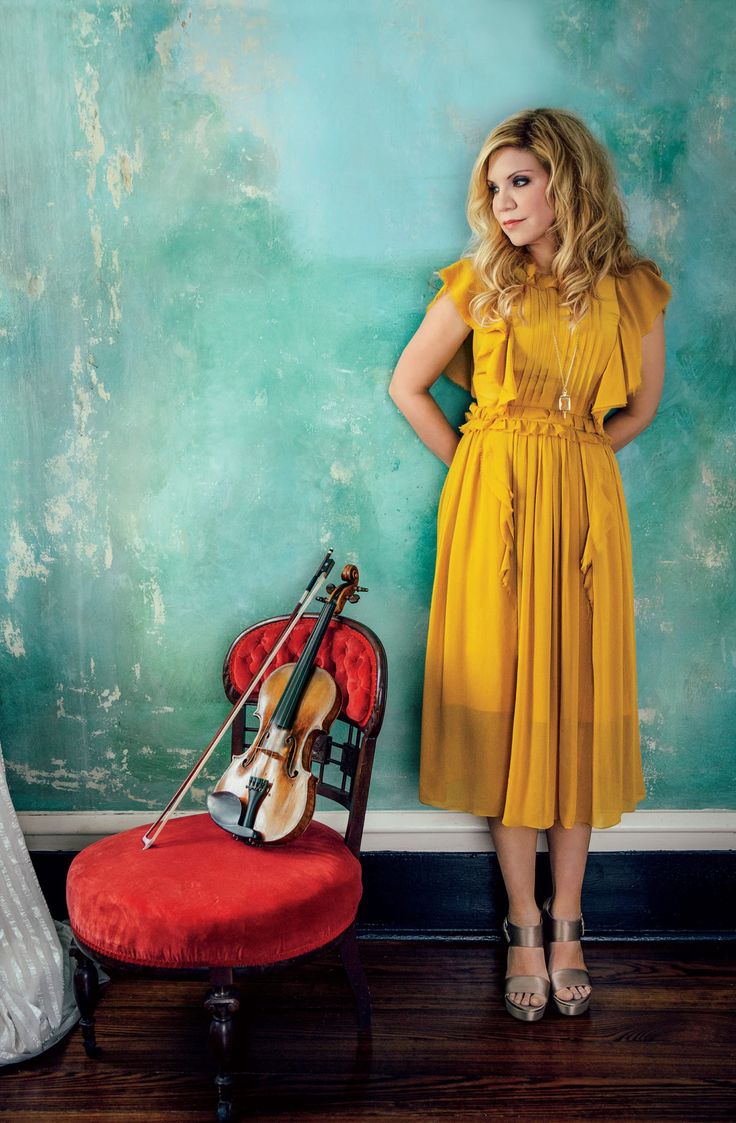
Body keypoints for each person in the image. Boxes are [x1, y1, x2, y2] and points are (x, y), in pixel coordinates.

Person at [388, 107, 672, 1021]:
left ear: (568, 182)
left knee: (574, 708)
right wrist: (479, 468)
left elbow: (641, 409)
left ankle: (570, 922)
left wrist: (576, 463)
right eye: (495, 185)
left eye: (521, 181)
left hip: (584, 514)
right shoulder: (482, 281)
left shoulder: (630, 288)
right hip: (494, 514)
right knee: (512, 712)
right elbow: (408, 384)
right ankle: (519, 921)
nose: (503, 201)